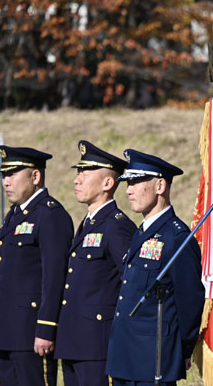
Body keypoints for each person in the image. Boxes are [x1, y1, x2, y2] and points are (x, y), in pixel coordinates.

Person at [106, 149, 205, 386]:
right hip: (125, 356)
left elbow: (190, 301)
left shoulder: (177, 237)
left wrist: (183, 349)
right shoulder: (141, 232)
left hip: (154, 359)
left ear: (160, 186)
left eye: (136, 182)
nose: (128, 190)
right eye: (127, 183)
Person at [0, 145, 74, 386]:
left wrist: (46, 329)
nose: (6, 182)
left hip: (31, 335)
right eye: (4, 174)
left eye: (13, 174)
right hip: (6, 331)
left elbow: (54, 277)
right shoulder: (15, 215)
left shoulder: (50, 215)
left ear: (35, 176)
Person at [55, 141, 137, 385]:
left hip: (97, 347)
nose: (76, 180)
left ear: (108, 183)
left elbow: (131, 285)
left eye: (85, 173)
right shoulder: (89, 223)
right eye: (78, 172)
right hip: (73, 343)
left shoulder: (117, 226)